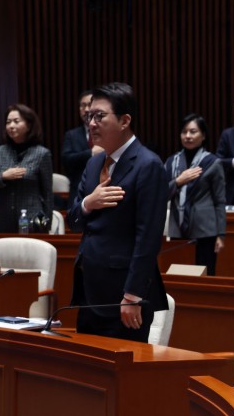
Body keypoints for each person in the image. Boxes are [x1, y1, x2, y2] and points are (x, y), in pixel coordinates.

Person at [67, 82, 168, 343]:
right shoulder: (93, 163)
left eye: (99, 116)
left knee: (123, 367)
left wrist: (132, 296)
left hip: (124, 296)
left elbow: (148, 238)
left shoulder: (148, 165)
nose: (91, 123)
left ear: (124, 121)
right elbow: (73, 221)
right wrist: (88, 203)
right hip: (89, 291)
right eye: (89, 116)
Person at [165, 114, 226, 276]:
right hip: (177, 229)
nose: (188, 136)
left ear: (203, 136)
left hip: (205, 231)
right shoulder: (171, 162)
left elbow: (219, 201)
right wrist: (178, 181)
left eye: (193, 132)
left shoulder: (213, 162)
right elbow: (161, 194)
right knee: (179, 276)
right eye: (184, 132)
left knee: (205, 276)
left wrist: (221, 234)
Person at [0, 104, 53, 233]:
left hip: (33, 219)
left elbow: (47, 194)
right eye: (8, 122)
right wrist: (3, 176)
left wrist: (46, 225)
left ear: (29, 125)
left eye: (16, 121)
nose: (11, 126)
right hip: (3, 220)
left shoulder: (41, 154)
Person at [62, 90, 102, 207]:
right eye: (83, 106)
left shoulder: (107, 132)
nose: (86, 109)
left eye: (90, 105)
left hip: (103, 190)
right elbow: (66, 160)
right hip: (78, 192)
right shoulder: (72, 135)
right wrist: (90, 153)